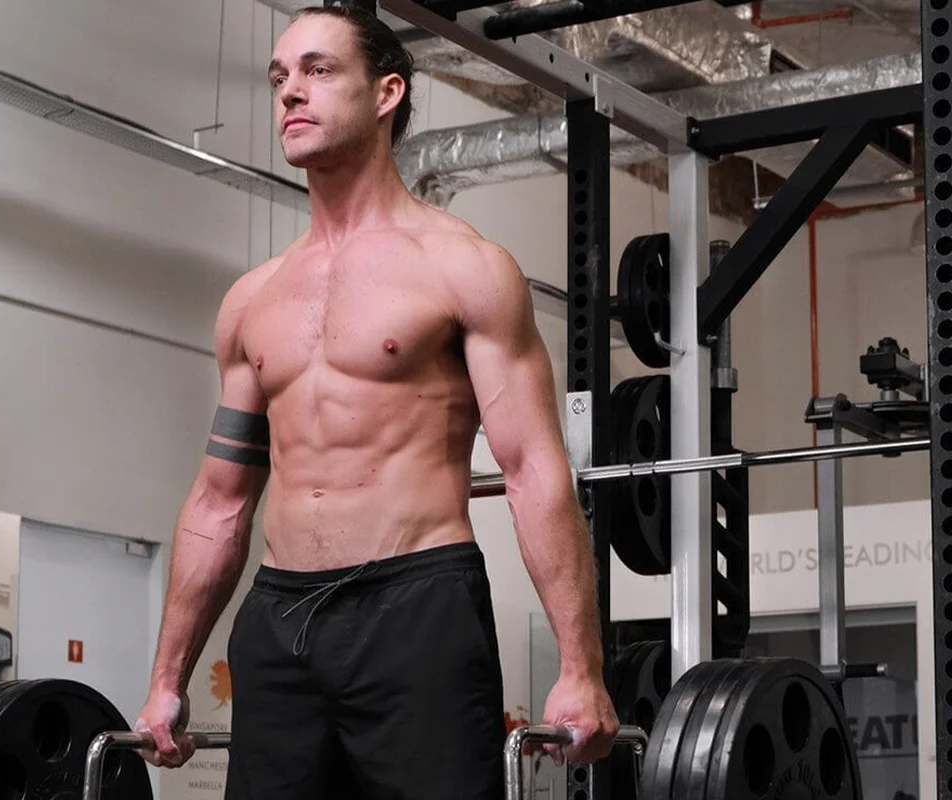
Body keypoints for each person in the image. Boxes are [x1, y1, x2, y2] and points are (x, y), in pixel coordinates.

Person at [135, 4, 619, 797]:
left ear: (387, 91)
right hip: (278, 619)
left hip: (417, 607)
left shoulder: (463, 268)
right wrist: (166, 677)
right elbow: (220, 501)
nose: (290, 92)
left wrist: (581, 667)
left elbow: (534, 469)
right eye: (279, 77)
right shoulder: (251, 302)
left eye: (318, 70)